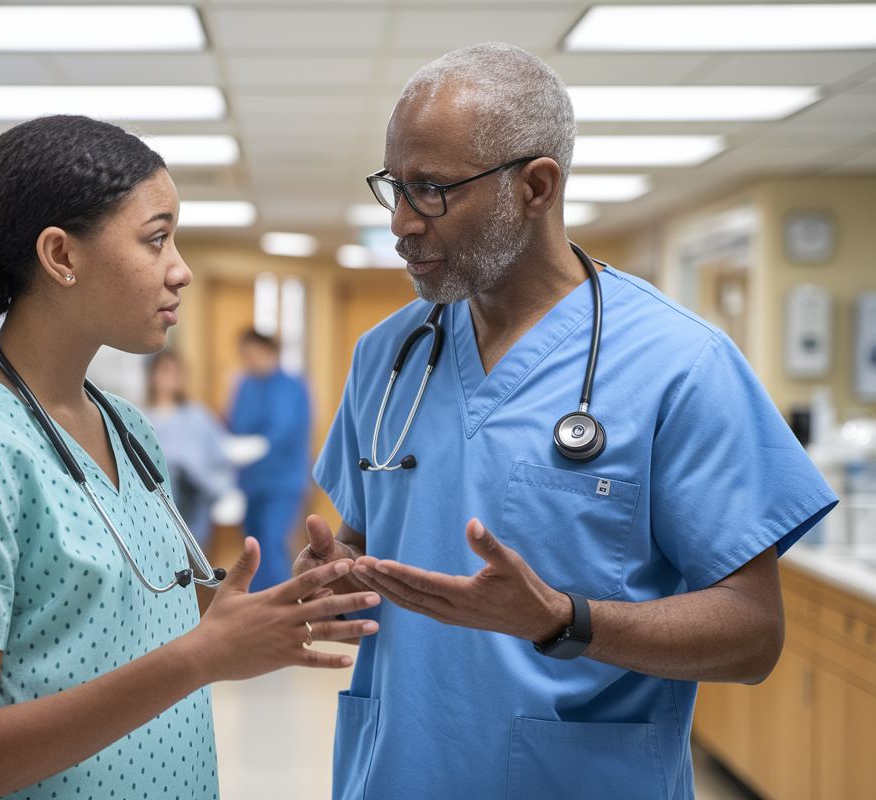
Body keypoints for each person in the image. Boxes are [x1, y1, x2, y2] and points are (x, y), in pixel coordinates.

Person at [295, 44, 837, 800]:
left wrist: (562, 618)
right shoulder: (386, 356)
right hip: (392, 775)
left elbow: (753, 634)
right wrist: (332, 580)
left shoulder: (681, 365)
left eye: (431, 191)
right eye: (394, 187)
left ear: (536, 187)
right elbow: (362, 543)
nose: (401, 224)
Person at [0, 114, 380, 800]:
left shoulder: (127, 427)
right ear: (62, 257)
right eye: (156, 238)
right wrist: (203, 658)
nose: (182, 270)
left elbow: (148, 615)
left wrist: (286, 604)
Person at [229, 330, 311, 592]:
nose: (248, 361)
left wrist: (257, 444)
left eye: (252, 354)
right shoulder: (244, 384)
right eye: (245, 356)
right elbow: (236, 424)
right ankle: (256, 608)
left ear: (270, 352)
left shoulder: (292, 386)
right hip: (251, 481)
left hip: (282, 482)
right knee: (253, 548)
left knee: (272, 544)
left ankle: (280, 607)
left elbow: (283, 430)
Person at [144, 349, 235, 549]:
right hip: (152, 521)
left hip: (193, 516)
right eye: (165, 370)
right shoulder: (139, 419)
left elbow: (221, 465)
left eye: (177, 371)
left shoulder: (198, 418)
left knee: (193, 572)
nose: (171, 377)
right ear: (152, 375)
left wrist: (197, 476)